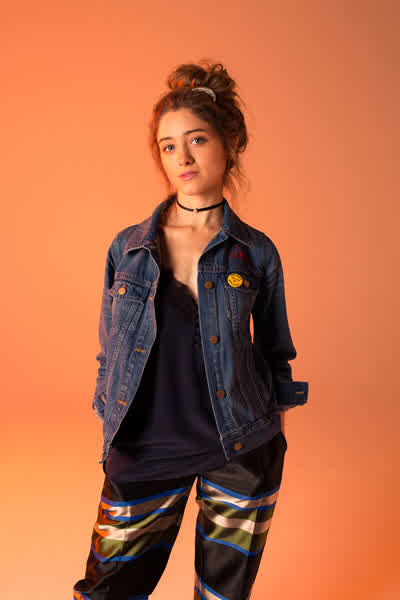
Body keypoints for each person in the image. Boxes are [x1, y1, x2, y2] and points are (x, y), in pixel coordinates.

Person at [73, 60, 309, 600]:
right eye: (168, 145)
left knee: (222, 596)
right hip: (144, 445)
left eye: (197, 140)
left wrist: (268, 434)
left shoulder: (255, 251)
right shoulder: (128, 249)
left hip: (239, 447)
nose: (182, 157)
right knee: (107, 590)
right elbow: (111, 353)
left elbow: (276, 352)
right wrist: (108, 420)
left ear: (230, 144)